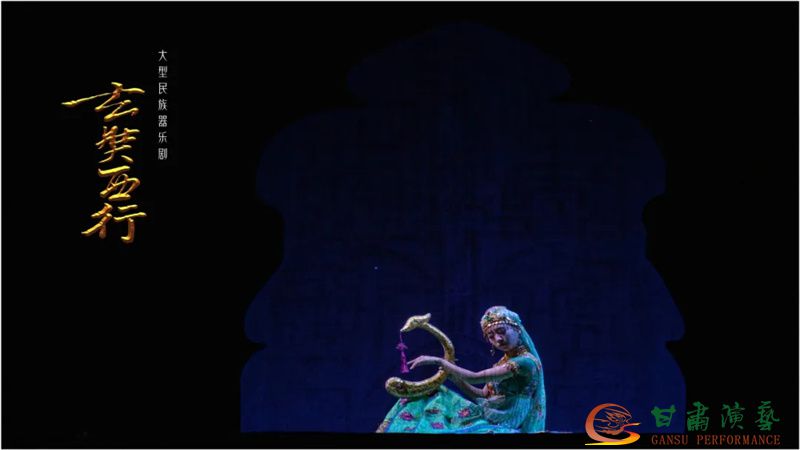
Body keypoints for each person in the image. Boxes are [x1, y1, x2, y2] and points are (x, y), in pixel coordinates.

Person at [376, 306, 546, 433]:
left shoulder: (525, 363)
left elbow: (475, 377)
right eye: (491, 336)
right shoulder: (505, 360)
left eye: (501, 331)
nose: (498, 339)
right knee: (433, 393)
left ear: (517, 329)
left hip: (504, 423)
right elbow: (482, 394)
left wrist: (439, 361)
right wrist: (453, 377)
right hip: (489, 414)